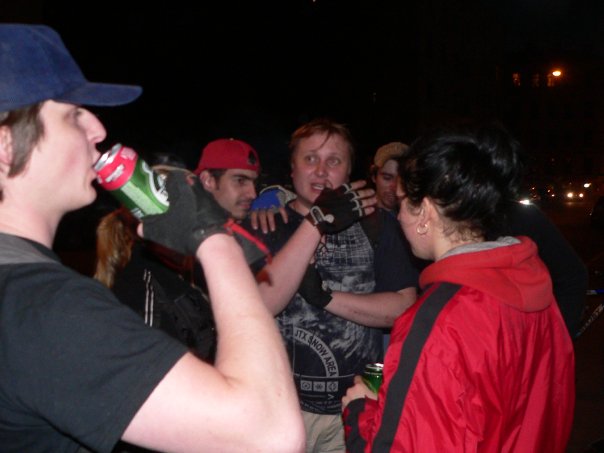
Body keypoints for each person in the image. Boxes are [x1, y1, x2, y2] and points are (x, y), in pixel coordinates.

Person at [0, 23, 305, 452]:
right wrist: (213, 239)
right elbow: (269, 435)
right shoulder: (45, 307)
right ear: (6, 146)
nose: (98, 128)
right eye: (73, 114)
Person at [342, 123, 575, 452]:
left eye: (404, 202)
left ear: (425, 212)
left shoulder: (438, 321)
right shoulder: (535, 288)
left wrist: (359, 412)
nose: (399, 215)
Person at [244, 118, 420, 453]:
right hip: (278, 408)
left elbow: (403, 308)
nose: (321, 171)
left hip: (353, 407)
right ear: (292, 168)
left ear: (349, 170)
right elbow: (260, 306)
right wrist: (316, 221)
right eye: (310, 159)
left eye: (334, 161)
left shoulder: (379, 225)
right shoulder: (267, 224)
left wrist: (324, 297)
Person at [369, 141, 409, 214]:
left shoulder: (415, 217)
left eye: (401, 180)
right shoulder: (357, 214)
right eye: (387, 178)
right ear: (374, 177)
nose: (394, 186)